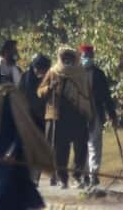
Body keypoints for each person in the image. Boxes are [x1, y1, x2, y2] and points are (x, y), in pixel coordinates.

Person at [0, 63, 54, 210]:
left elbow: (20, 127)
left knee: (9, 201)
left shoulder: (8, 96)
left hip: (9, 161)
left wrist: (13, 151)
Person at [37, 47, 92, 188]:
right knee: (61, 149)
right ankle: (63, 177)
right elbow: (40, 91)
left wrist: (90, 113)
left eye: (70, 58)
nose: (67, 61)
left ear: (75, 59)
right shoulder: (53, 72)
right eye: (65, 58)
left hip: (77, 114)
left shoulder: (81, 73)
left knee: (81, 147)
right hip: (59, 114)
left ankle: (77, 175)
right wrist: (50, 88)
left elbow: (88, 94)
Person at [78, 45, 116, 187]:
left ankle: (94, 174)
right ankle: (83, 175)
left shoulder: (99, 74)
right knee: (81, 145)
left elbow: (106, 96)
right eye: (85, 55)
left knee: (95, 144)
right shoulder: (75, 74)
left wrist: (112, 114)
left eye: (90, 55)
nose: (87, 58)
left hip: (96, 113)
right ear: (80, 56)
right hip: (80, 115)